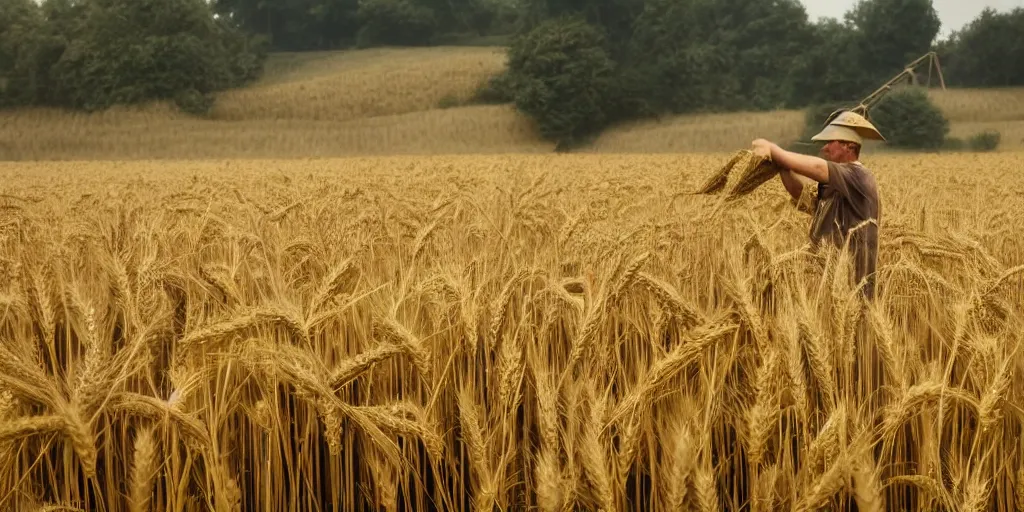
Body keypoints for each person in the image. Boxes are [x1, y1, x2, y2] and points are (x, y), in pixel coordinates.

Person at [750, 111, 885, 300]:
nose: (825, 148)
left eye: (831, 142)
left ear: (850, 146)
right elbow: (802, 195)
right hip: (827, 284)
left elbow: (818, 168)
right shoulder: (836, 183)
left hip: (852, 286)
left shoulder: (858, 176)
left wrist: (774, 150)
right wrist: (781, 165)